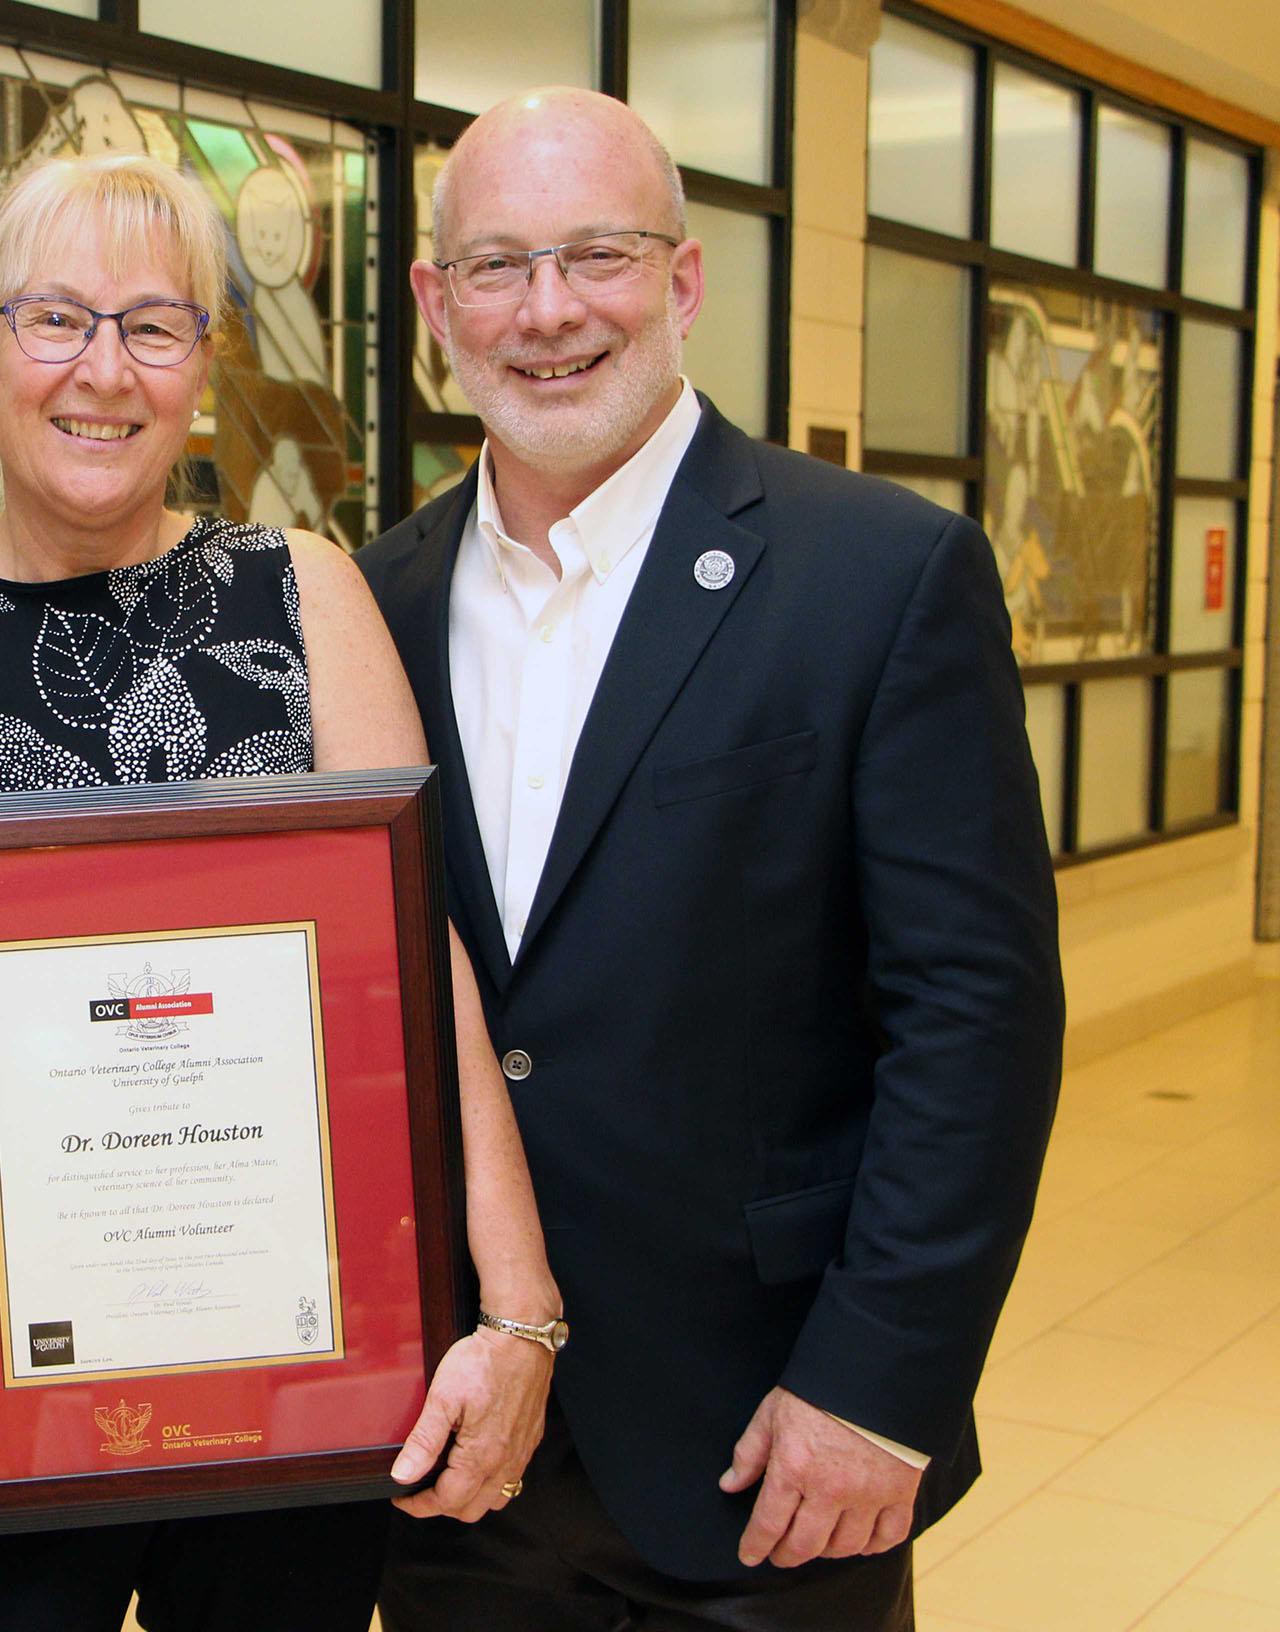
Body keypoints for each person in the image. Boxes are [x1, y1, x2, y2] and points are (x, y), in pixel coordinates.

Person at [0, 152, 565, 1632]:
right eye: (53, 318)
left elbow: (422, 968)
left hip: (293, 1368)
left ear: (204, 366)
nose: (103, 371)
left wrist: (516, 1310)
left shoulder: (308, 596)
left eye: (155, 325)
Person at [359, 88, 1064, 1632]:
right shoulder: (369, 606)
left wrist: (881, 1393)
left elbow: (976, 1025)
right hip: (455, 1456)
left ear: (683, 283)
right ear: (433, 305)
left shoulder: (881, 576)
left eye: (597, 256)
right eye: (495, 266)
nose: (548, 313)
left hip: (769, 1450)